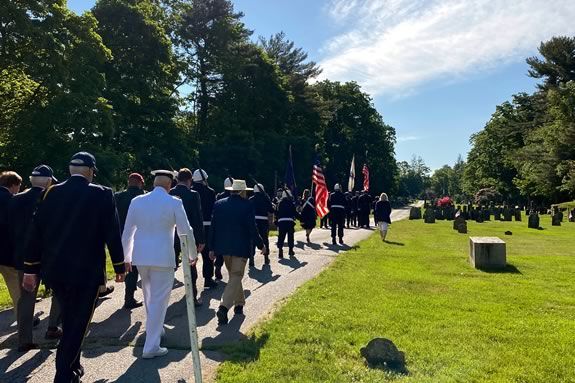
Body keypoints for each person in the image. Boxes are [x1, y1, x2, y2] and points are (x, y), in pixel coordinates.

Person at [22, 152, 126, 383]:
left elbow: (35, 232)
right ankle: (64, 374)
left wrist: (31, 268)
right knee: (77, 324)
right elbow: (112, 232)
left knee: (70, 318)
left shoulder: (51, 192)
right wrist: (119, 265)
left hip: (56, 270)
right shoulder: (102, 194)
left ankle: (74, 365)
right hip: (86, 272)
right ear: (90, 171)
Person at [122, 170, 198, 359]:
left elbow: (128, 231)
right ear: (170, 185)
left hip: (141, 257)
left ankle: (155, 330)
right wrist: (192, 253)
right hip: (163, 258)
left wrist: (126, 257)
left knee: (150, 298)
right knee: (158, 300)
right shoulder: (174, 202)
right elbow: (185, 230)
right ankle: (151, 346)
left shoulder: (137, 201)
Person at [9, 165, 62, 352]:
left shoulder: (15, 200)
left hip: (23, 256)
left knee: (26, 297)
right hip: (49, 255)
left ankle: (24, 338)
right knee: (58, 293)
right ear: (48, 181)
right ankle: (53, 327)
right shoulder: (53, 199)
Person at [209, 179, 264, 325]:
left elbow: (213, 227)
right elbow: (252, 228)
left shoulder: (219, 204)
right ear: (242, 192)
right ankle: (224, 306)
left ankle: (239, 304)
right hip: (240, 247)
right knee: (236, 276)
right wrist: (261, 245)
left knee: (234, 276)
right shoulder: (247, 205)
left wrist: (212, 247)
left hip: (223, 247)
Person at [171, 168, 205, 305]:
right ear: (190, 180)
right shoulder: (193, 195)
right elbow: (197, 218)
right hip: (187, 235)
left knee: (170, 266)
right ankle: (192, 295)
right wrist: (201, 239)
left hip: (171, 236)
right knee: (191, 266)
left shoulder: (170, 192)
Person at [115, 173, 146, 309]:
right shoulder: (145, 197)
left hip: (123, 235)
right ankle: (131, 297)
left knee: (129, 266)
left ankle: (129, 295)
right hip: (142, 235)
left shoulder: (118, 196)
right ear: (140, 182)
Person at [0, 171, 22, 323]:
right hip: (6, 251)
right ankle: (23, 317)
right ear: (13, 185)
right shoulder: (11, 201)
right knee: (15, 285)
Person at [191, 169, 219, 285]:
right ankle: (208, 279)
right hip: (207, 227)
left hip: (192, 228)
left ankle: (192, 281)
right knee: (208, 255)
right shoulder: (210, 192)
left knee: (192, 256)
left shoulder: (190, 191)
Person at [249, 183, 274, 265]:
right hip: (263, 222)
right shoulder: (265, 198)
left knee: (252, 239)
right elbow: (271, 210)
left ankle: (251, 258)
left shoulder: (251, 199)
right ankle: (266, 257)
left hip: (253, 222)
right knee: (265, 239)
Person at [275, 189, 298, 258]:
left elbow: (276, 213)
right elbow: (295, 213)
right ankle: (290, 250)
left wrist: (277, 220)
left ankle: (280, 250)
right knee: (290, 237)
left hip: (281, 222)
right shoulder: (291, 203)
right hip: (290, 222)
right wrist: (301, 217)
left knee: (281, 237)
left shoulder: (279, 203)